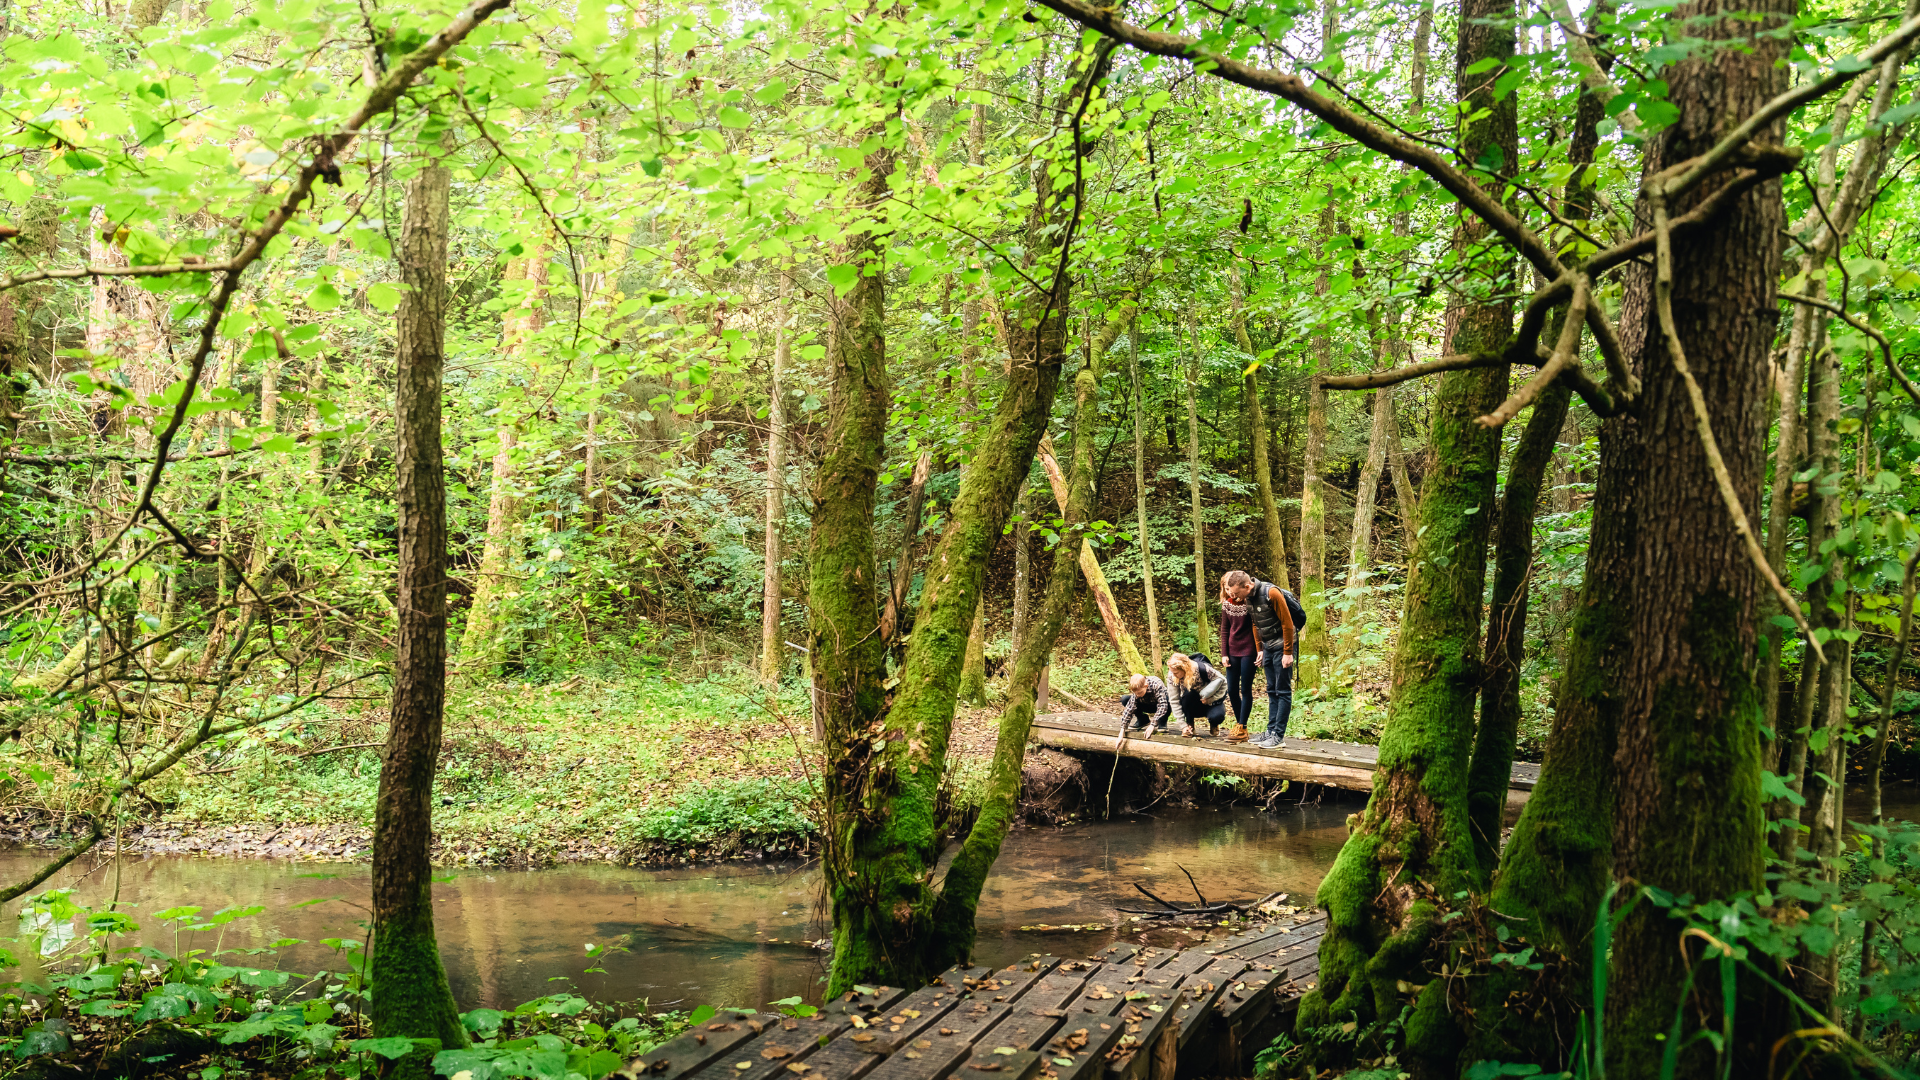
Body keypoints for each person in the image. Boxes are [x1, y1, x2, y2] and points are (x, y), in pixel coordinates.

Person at [1221, 569, 1303, 748]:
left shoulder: (1271, 593)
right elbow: (1255, 623)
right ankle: (1270, 731)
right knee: (1271, 690)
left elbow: (1287, 623)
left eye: (1236, 592)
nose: (1234, 596)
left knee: (1282, 691)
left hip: (1282, 646)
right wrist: (1260, 649)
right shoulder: (1248, 597)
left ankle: (1278, 736)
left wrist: (1288, 652)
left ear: (1247, 586)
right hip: (1267, 647)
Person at [1218, 574, 1260, 741]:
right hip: (1232, 651)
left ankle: (1242, 725)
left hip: (1249, 651)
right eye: (1227, 590)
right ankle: (1239, 724)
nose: (1231, 594)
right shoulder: (1227, 605)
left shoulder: (1250, 603)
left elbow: (1257, 627)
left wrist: (1259, 650)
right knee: (1232, 690)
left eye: (1232, 590)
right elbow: (1224, 630)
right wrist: (1224, 653)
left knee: (1245, 689)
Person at [1166, 652, 1228, 737]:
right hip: (1191, 703)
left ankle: (1214, 724)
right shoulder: (1172, 675)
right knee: (1188, 694)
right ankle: (1189, 724)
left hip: (1209, 700)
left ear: (1184, 669)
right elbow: (1174, 700)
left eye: (1176, 673)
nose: (1173, 675)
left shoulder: (1202, 669)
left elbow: (1224, 682)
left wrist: (1211, 699)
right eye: (1172, 672)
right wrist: (1182, 726)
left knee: (1217, 716)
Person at [1118, 672, 1171, 737]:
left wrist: (1152, 725)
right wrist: (1122, 730)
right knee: (1125, 699)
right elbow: (1130, 708)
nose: (1138, 695)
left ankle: (1162, 722)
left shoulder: (1156, 684)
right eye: (1136, 693)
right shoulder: (1137, 691)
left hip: (1160, 706)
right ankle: (1142, 720)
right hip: (1146, 704)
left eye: (1140, 692)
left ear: (1146, 686)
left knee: (1168, 699)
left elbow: (1162, 705)